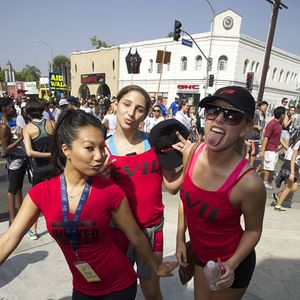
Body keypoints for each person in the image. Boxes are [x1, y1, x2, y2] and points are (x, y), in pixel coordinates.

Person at [0, 109, 177, 300]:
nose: (100, 156)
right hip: (82, 287)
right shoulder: (40, 193)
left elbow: (135, 235)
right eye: (89, 148)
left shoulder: (110, 191)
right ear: (66, 149)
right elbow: (9, 239)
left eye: (101, 147)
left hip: (119, 286)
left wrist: (155, 266)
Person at [175, 86, 266, 300]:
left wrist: (232, 264)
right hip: (200, 258)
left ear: (245, 128)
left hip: (230, 266)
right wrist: (180, 239)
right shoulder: (191, 151)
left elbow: (253, 231)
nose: (218, 120)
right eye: (213, 110)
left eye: (232, 115)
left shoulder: (249, 184)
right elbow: (185, 199)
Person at [106, 85, 183, 300]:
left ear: (146, 114)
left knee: (151, 291)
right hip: (117, 232)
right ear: (116, 104)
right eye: (126, 104)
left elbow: (172, 186)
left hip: (151, 231)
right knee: (119, 291)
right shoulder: (101, 149)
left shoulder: (156, 145)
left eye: (139, 109)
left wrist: (190, 159)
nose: (131, 113)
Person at [23, 99, 55, 239]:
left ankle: (33, 230)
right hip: (54, 166)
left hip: (39, 168)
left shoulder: (28, 129)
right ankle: (56, 226)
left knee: (36, 201)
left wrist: (46, 154)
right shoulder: (52, 124)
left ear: (28, 112)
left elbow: (29, 152)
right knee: (55, 197)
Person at [0, 97, 27, 225]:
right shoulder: (4, 126)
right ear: (4, 108)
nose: (13, 108)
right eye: (11, 106)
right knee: (12, 190)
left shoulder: (9, 121)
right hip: (14, 161)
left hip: (19, 159)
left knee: (18, 188)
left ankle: (20, 214)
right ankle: (13, 220)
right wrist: (20, 138)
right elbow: (5, 150)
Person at [259, 106, 287, 189]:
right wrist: (262, 151)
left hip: (275, 150)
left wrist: (286, 147)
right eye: (284, 113)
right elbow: (266, 138)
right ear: (282, 115)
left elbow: (279, 137)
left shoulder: (279, 124)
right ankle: (265, 182)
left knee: (268, 166)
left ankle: (256, 171)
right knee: (269, 168)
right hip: (270, 149)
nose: (285, 115)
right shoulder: (271, 124)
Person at [273, 128, 300, 211]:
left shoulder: (295, 141)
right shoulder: (298, 143)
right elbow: (293, 158)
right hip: (290, 165)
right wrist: (292, 172)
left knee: (294, 187)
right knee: (288, 187)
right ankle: (278, 205)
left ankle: (278, 195)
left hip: (292, 165)